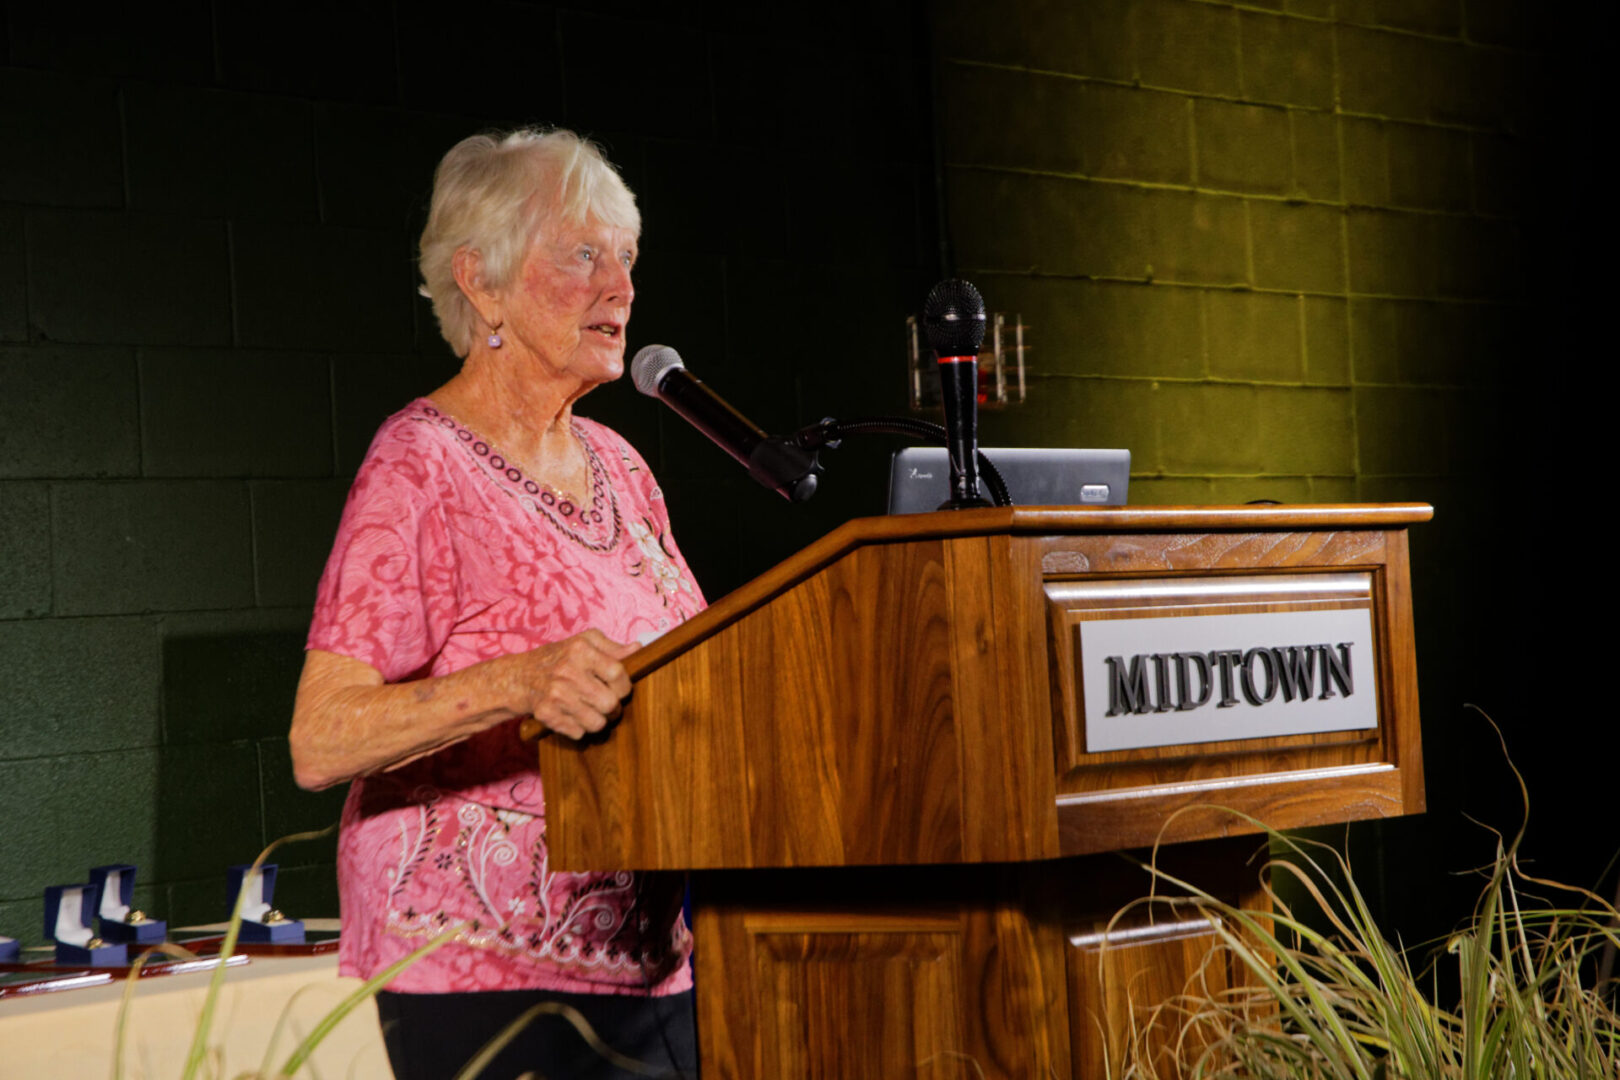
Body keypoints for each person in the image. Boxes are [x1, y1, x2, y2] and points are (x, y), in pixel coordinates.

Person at [289, 128, 705, 1080]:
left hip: (652, 963)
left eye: (628, 259)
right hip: (481, 976)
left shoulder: (624, 469)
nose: (622, 288)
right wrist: (522, 681)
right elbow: (322, 736)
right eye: (585, 255)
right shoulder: (419, 464)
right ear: (482, 283)